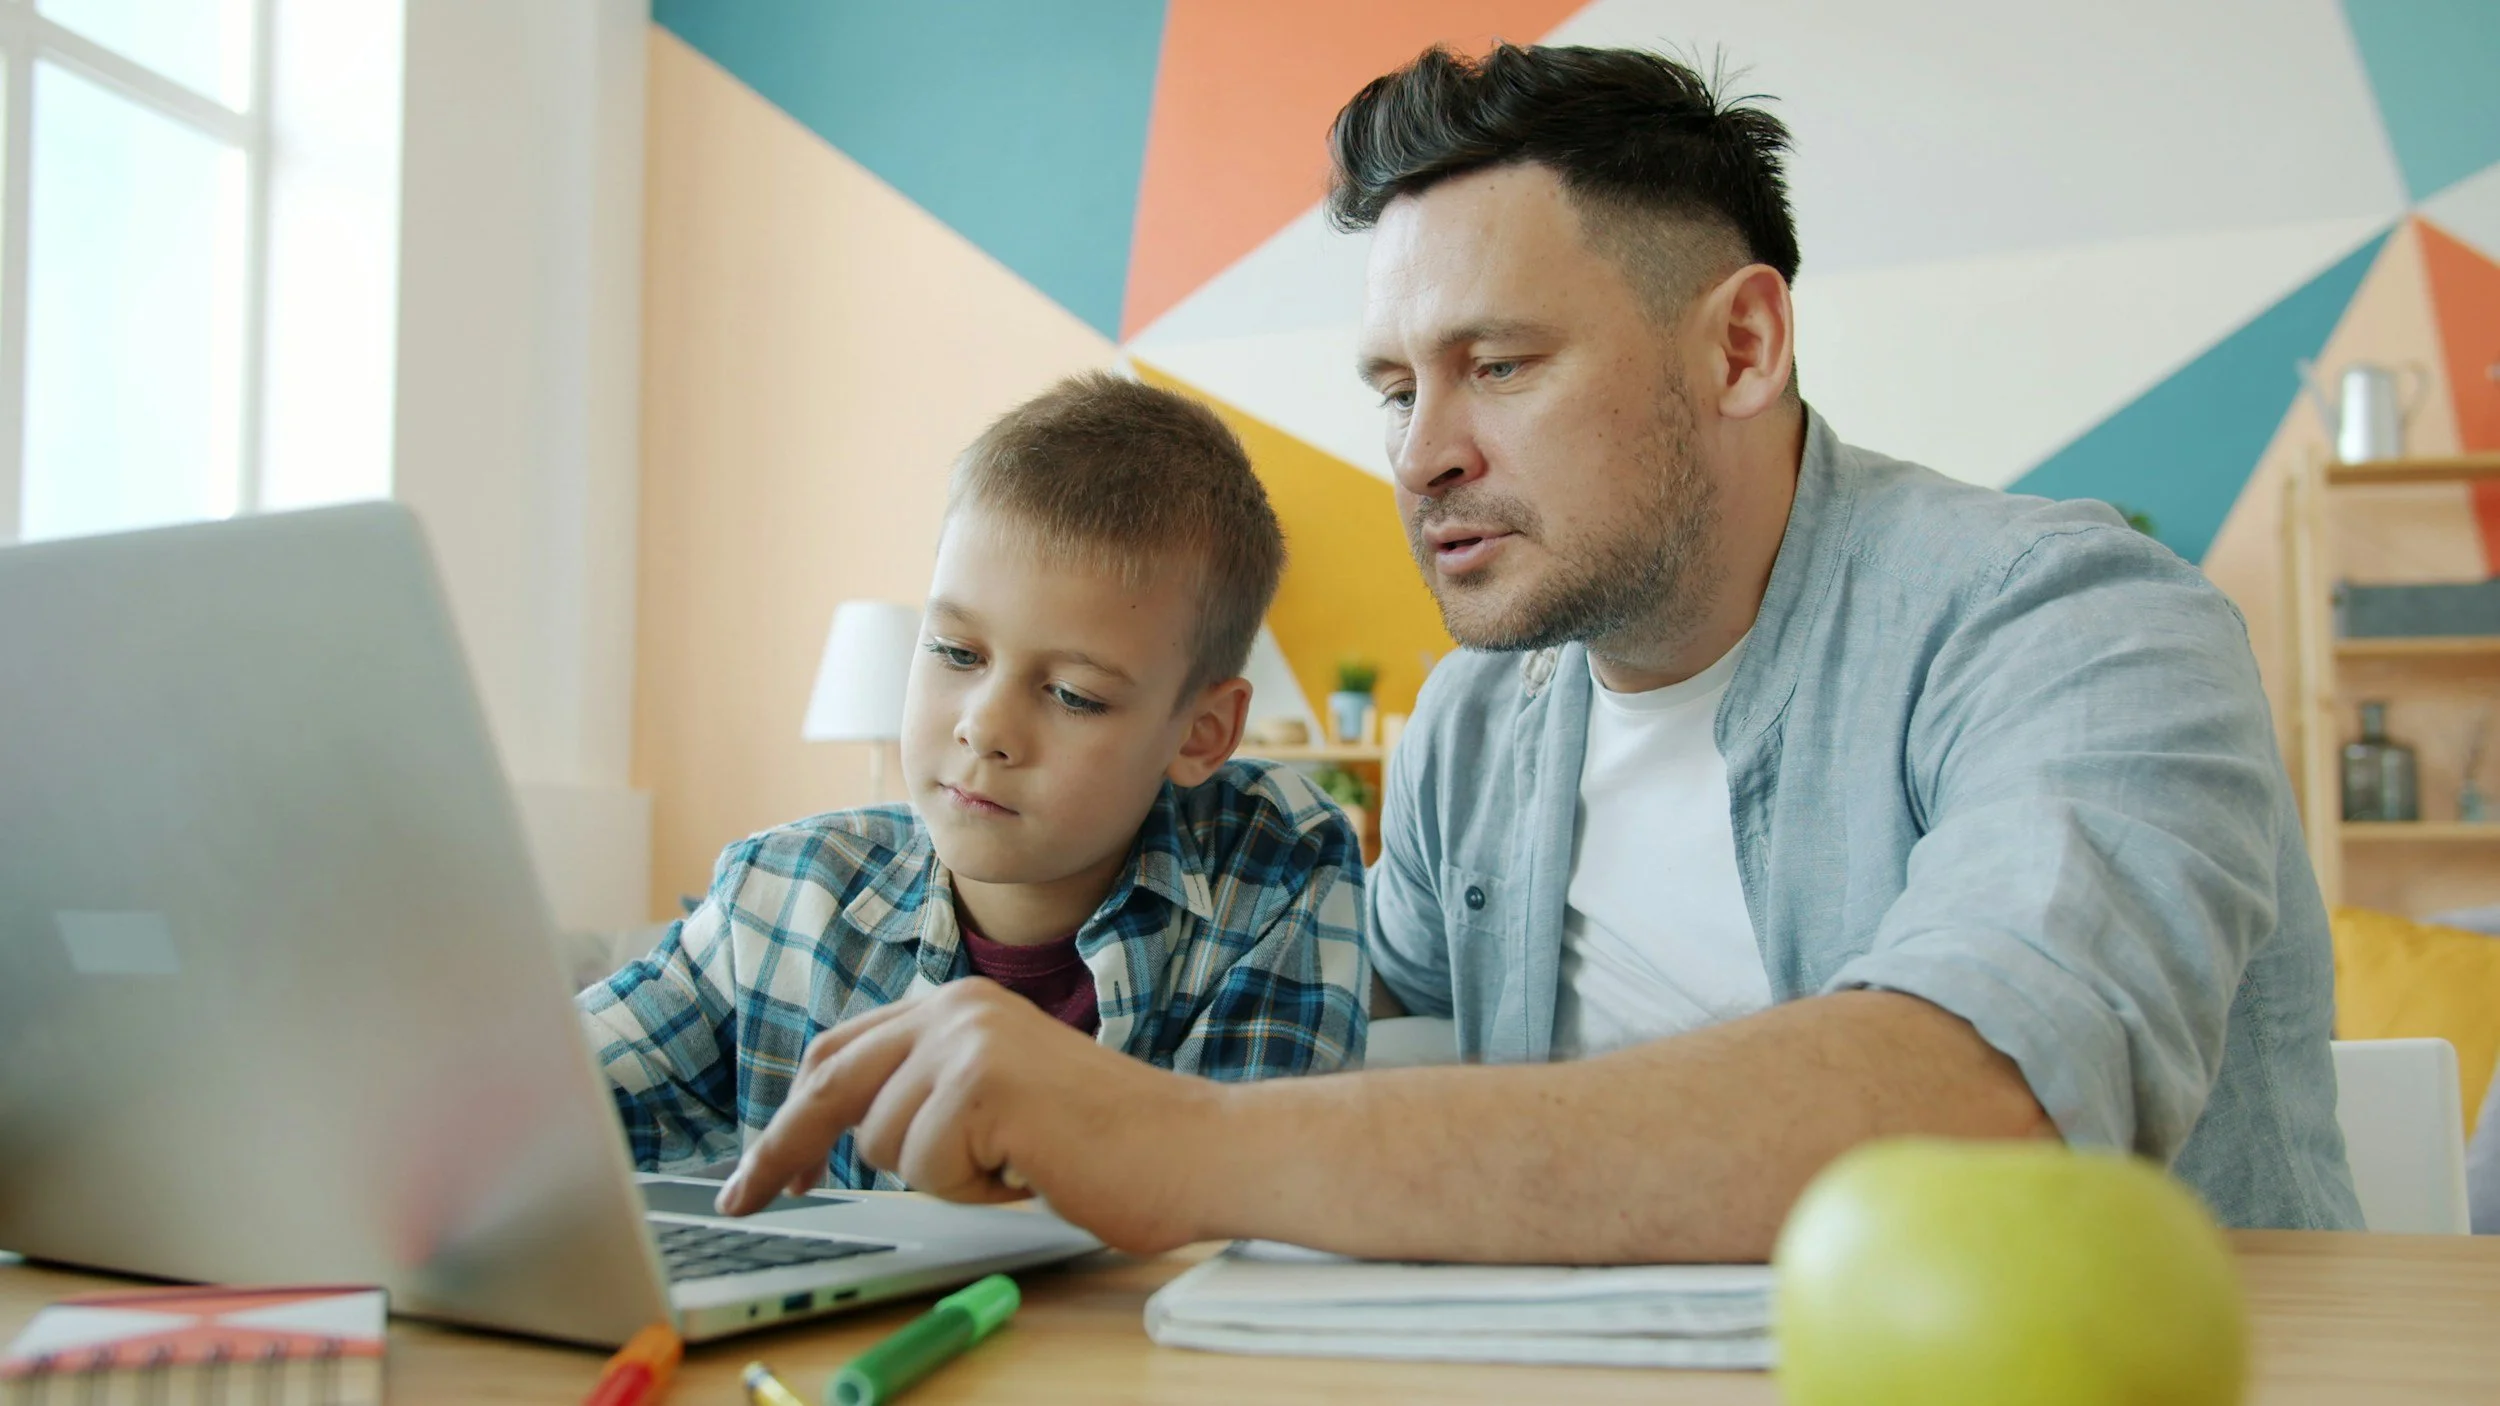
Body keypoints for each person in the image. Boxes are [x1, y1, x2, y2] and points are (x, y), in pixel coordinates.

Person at [713, 43, 2361, 1252]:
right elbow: (1337, 1041)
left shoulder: (2081, 627)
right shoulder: (1471, 729)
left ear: (1741, 343)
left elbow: (1983, 1103)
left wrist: (1191, 1142)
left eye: (1494, 364)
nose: (1418, 455)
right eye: (1391, 387)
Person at [580, 373, 1368, 1189]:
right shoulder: (778, 899)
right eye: (956, 653)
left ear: (1202, 733)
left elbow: (1258, 1198)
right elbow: (538, 1111)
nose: (984, 728)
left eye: (1074, 695)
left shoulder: (1274, 867)